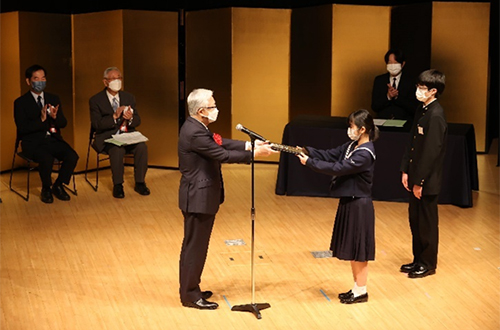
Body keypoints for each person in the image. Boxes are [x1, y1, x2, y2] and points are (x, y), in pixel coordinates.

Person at [178, 88, 276, 310]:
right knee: (195, 248)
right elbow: (221, 154)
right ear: (202, 110)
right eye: (212, 106)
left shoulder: (197, 127)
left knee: (196, 246)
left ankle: (192, 288)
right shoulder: (195, 132)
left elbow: (220, 142)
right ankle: (191, 295)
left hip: (200, 195)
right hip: (197, 197)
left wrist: (249, 145)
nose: (216, 109)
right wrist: (253, 155)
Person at [297, 109, 378, 304]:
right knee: (353, 250)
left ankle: (361, 291)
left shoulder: (365, 154)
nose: (349, 130)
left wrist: (309, 162)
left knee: (359, 251)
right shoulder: (352, 145)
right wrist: (307, 151)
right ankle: (357, 288)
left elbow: (338, 168)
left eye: (352, 126)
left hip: (360, 205)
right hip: (349, 201)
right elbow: (330, 155)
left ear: (363, 129)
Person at [400, 69, 447, 279]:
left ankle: (428, 263)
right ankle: (417, 258)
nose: (418, 91)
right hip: (414, 175)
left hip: (427, 180)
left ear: (434, 91)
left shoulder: (436, 115)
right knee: (415, 220)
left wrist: (419, 181)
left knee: (426, 223)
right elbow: (412, 143)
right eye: (418, 86)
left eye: (423, 88)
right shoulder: (422, 109)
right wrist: (405, 171)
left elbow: (431, 152)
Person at [14, 64, 79, 203]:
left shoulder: (53, 98)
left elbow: (63, 123)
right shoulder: (20, 103)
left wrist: (55, 117)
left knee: (72, 156)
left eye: (43, 78)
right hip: (33, 143)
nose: (40, 81)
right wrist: (42, 119)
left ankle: (58, 185)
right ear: (28, 81)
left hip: (53, 139)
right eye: (36, 78)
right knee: (46, 158)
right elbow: (23, 128)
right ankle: (46, 189)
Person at [89, 67, 150, 198]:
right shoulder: (96, 100)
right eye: (113, 79)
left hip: (127, 135)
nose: (117, 81)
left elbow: (138, 120)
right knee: (117, 149)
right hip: (107, 137)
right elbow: (97, 124)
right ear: (105, 82)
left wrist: (130, 119)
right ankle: (118, 185)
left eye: (119, 78)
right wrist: (114, 117)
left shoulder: (129, 97)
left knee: (141, 147)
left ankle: (140, 182)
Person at [371, 49, 419, 122]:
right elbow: (374, 106)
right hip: (383, 124)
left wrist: (397, 97)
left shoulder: (411, 81)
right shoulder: (380, 80)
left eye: (395, 63)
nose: (392, 65)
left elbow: (415, 107)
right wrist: (388, 97)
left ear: (402, 64)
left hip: (405, 125)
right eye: (390, 62)